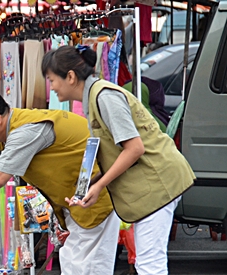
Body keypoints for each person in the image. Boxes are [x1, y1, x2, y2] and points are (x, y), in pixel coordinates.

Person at [0, 87, 121, 274]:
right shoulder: (5, 134)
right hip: (76, 202)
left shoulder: (24, 132)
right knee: (73, 265)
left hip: (95, 198)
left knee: (87, 268)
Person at [41, 45, 194, 275]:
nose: (51, 88)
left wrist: (100, 184)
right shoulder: (95, 97)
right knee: (148, 263)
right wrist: (94, 184)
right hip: (152, 184)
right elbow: (117, 152)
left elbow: (134, 149)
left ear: (70, 77)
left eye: (51, 80)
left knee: (150, 265)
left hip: (158, 182)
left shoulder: (104, 96)